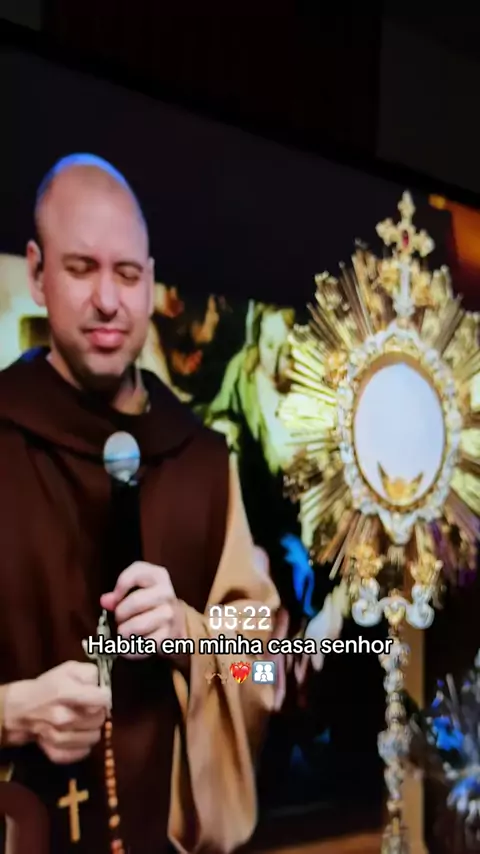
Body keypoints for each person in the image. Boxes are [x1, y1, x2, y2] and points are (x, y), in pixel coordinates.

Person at [0, 154, 279, 854]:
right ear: (37, 273)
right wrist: (10, 714)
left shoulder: (203, 462)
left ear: (151, 283)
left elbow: (261, 669)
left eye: (126, 274)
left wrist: (192, 636)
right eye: (80, 268)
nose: (107, 300)